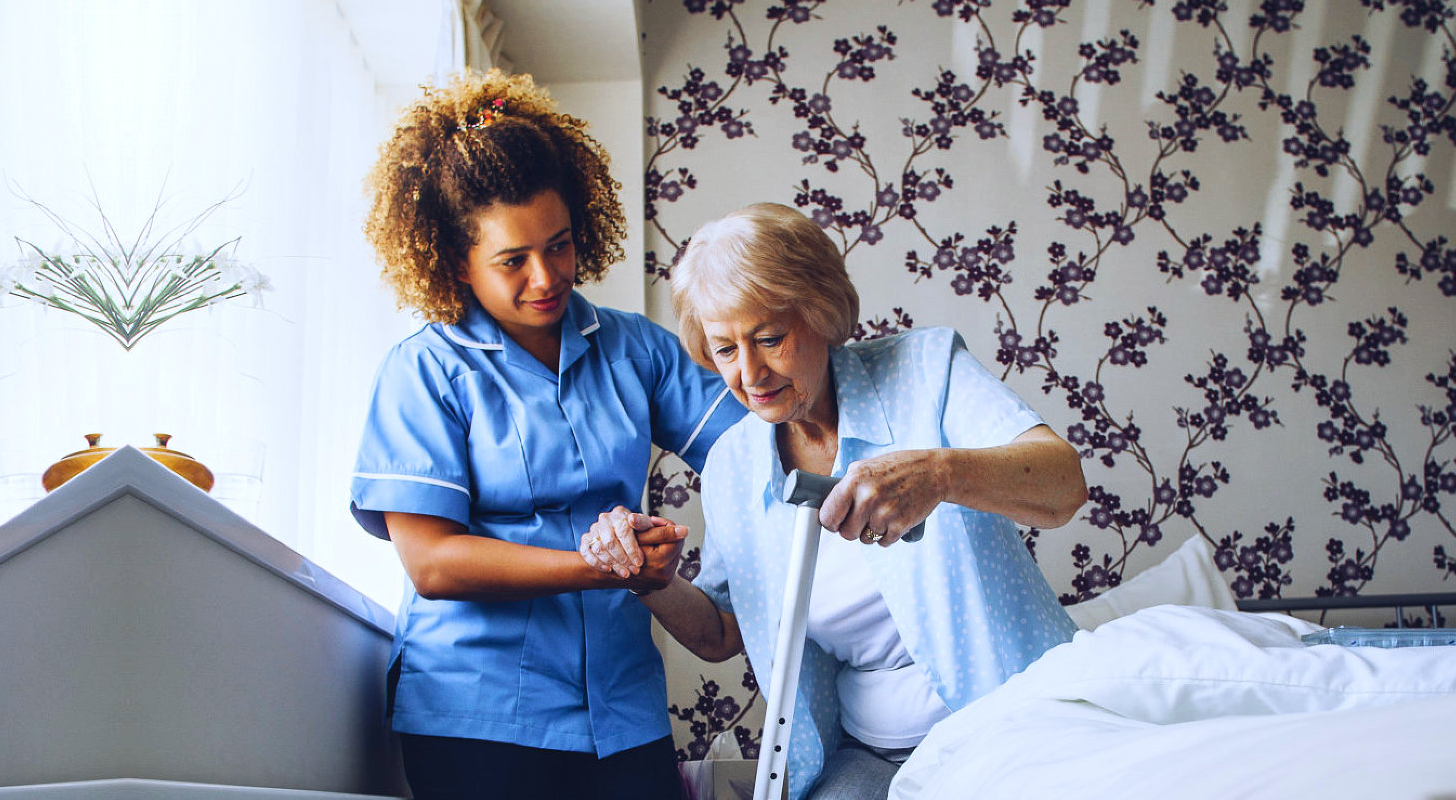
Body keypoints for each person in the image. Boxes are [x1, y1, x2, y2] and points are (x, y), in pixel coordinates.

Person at [579, 202, 1087, 800]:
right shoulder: (733, 466)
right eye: (724, 350)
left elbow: (1064, 486)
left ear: (820, 314)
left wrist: (942, 473)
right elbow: (722, 633)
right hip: (869, 752)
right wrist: (650, 578)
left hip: (1010, 728)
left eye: (770, 338)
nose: (750, 373)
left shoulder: (926, 372)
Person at [349, 70, 747, 800]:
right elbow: (432, 562)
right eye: (513, 261)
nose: (547, 276)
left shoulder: (636, 349)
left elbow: (752, 451)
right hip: (476, 712)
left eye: (559, 246)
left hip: (622, 710)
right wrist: (601, 565)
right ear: (454, 261)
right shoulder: (424, 371)